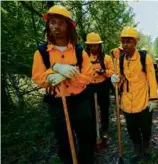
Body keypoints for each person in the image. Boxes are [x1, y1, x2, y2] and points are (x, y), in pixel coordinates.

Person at [32, 5, 95, 163]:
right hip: (57, 103)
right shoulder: (41, 52)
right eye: (52, 22)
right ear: (48, 25)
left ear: (69, 26)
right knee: (64, 140)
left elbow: (88, 76)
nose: (56, 26)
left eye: (61, 23)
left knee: (86, 137)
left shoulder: (80, 51)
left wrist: (71, 76)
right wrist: (54, 72)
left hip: (80, 100)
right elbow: (38, 77)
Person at [111, 27, 158, 162]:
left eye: (129, 42)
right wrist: (115, 80)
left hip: (143, 100)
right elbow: (119, 81)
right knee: (132, 129)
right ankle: (137, 150)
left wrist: (153, 98)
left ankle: (146, 148)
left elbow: (151, 79)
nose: (125, 45)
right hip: (126, 101)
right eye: (123, 42)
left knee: (145, 127)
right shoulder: (119, 60)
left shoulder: (144, 58)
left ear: (135, 42)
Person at [85, 32, 114, 139]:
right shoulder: (84, 58)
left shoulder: (106, 58)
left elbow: (112, 72)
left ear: (99, 45)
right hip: (89, 87)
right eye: (91, 45)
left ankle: (105, 129)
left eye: (95, 45)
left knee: (104, 108)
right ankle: (93, 130)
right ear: (88, 46)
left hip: (103, 85)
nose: (93, 47)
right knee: (90, 109)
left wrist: (103, 71)